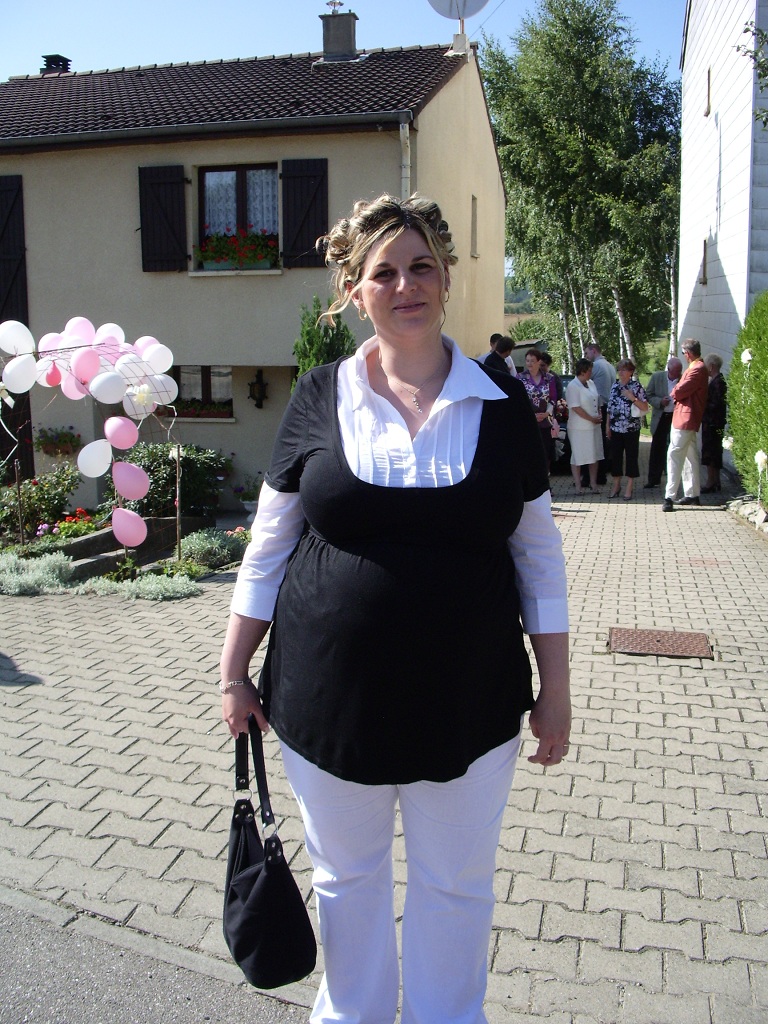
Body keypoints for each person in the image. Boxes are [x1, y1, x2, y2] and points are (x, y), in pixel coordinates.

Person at [219, 193, 571, 1024]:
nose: (405, 286)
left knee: (456, 885)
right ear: (354, 289)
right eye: (384, 273)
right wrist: (233, 670)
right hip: (328, 701)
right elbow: (266, 548)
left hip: (471, 700)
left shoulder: (501, 403)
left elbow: (539, 557)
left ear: (446, 278)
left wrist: (556, 690)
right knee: (348, 881)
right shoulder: (318, 395)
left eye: (422, 267)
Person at [662, 339, 709, 512]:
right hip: (687, 418)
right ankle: (692, 494)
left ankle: (669, 496)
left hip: (685, 419)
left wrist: (674, 391)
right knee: (690, 457)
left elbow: (679, 390)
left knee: (674, 454)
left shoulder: (697, 369)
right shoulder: (697, 367)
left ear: (688, 353)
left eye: (683, 353)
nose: (684, 356)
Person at [605, 358, 649, 501]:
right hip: (616, 428)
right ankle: (616, 485)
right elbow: (610, 408)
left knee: (631, 457)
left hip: (631, 428)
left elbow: (645, 407)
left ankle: (629, 486)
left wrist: (632, 398)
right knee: (615, 457)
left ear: (631, 372)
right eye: (619, 369)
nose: (621, 372)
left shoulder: (636, 387)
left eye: (624, 369)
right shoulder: (615, 386)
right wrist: (607, 426)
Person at [644, 357, 683, 488]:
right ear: (669, 369)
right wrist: (660, 401)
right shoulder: (657, 377)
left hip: (675, 417)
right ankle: (653, 479)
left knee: (674, 447)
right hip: (661, 417)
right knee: (657, 448)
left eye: (679, 371)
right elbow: (648, 395)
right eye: (675, 371)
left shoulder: (683, 379)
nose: (677, 374)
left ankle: (672, 478)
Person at [518, 347, 560, 470]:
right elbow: (518, 400)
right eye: (527, 361)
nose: (529, 363)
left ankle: (544, 478)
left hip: (545, 422)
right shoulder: (520, 378)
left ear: (538, 362)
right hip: (527, 422)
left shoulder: (549, 378)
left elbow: (553, 398)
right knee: (528, 454)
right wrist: (530, 415)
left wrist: (546, 413)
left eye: (532, 361)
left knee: (544, 453)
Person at [565, 358, 603, 493]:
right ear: (582, 371)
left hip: (594, 426)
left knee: (594, 454)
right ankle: (578, 485)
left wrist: (598, 414)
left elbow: (596, 400)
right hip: (578, 427)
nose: (591, 373)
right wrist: (591, 419)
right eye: (589, 370)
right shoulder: (573, 386)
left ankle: (593, 483)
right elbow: (575, 407)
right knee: (578, 455)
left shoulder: (591, 383)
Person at [583, 342, 615, 485]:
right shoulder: (610, 366)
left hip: (598, 407)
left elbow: (584, 383)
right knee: (602, 443)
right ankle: (601, 475)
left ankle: (590, 477)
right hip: (607, 407)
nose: (586, 356)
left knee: (593, 442)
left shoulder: (595, 366)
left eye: (587, 353)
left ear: (594, 351)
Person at [701, 353, 728, 493]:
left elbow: (716, 403)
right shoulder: (717, 381)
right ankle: (715, 481)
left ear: (711, 366)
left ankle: (711, 481)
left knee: (711, 452)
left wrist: (703, 404)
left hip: (712, 423)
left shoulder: (718, 382)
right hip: (714, 422)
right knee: (714, 451)